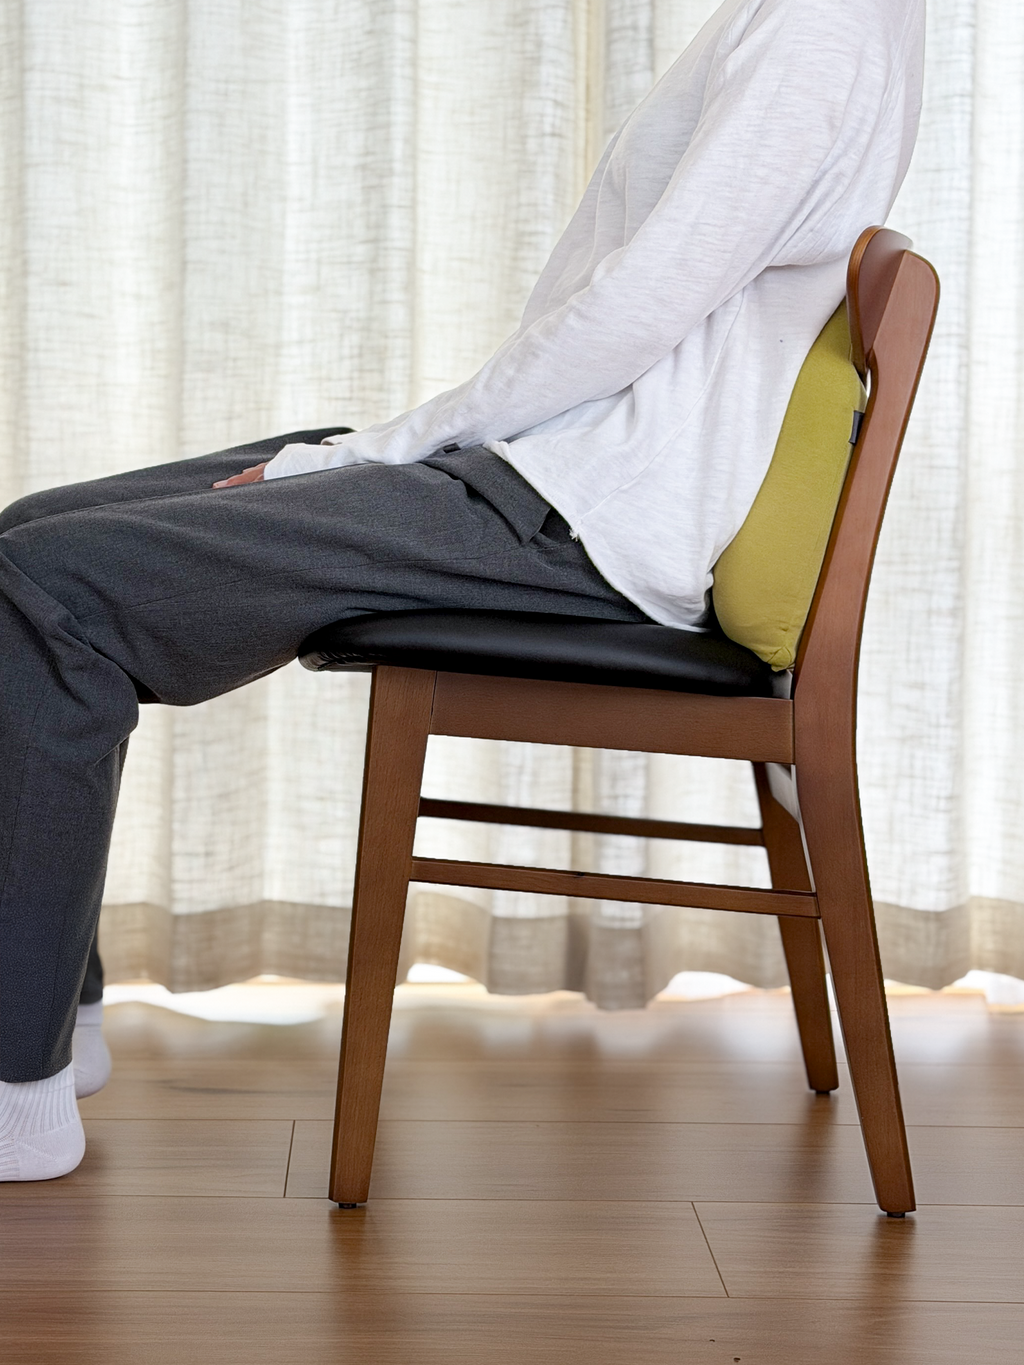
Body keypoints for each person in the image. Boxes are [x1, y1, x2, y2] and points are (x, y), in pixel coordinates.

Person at [0, 0, 925, 1181]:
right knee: (34, 535)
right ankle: (47, 1027)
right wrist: (397, 446)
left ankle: (16, 1097)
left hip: (575, 517)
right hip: (555, 475)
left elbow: (638, 310)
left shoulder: (821, 28)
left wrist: (385, 447)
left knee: (47, 585)